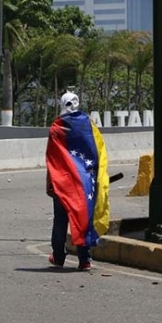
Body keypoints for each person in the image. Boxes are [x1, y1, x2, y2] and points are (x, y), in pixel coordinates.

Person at [45, 92, 110, 271]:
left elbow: (52, 160)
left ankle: (58, 257)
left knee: (60, 219)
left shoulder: (56, 128)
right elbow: (98, 154)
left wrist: (49, 183)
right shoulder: (89, 125)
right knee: (83, 218)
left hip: (61, 183)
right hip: (84, 184)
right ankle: (84, 260)